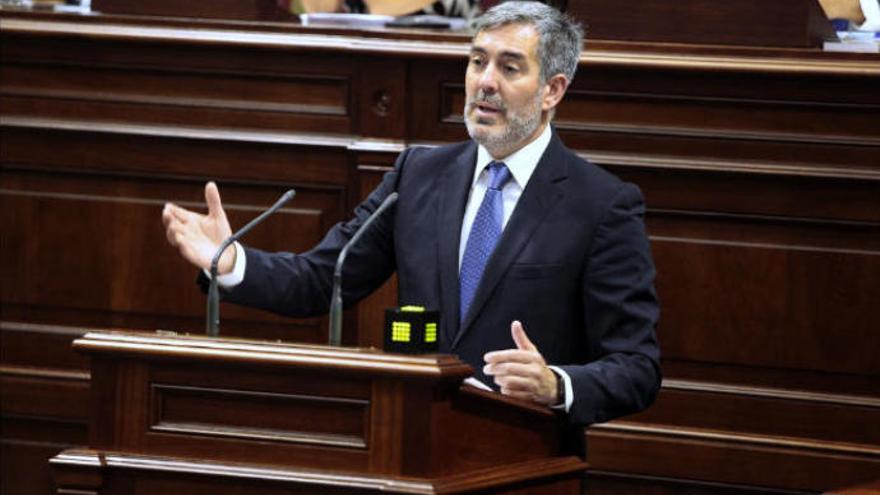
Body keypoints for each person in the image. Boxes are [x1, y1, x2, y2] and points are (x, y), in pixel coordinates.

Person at [163, 2, 661, 438]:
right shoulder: (419, 174)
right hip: (410, 446)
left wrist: (557, 384)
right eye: (477, 61)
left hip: (524, 453)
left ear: (553, 89)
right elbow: (323, 279)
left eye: (510, 68)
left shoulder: (601, 204)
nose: (485, 81)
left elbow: (637, 367)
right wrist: (228, 262)